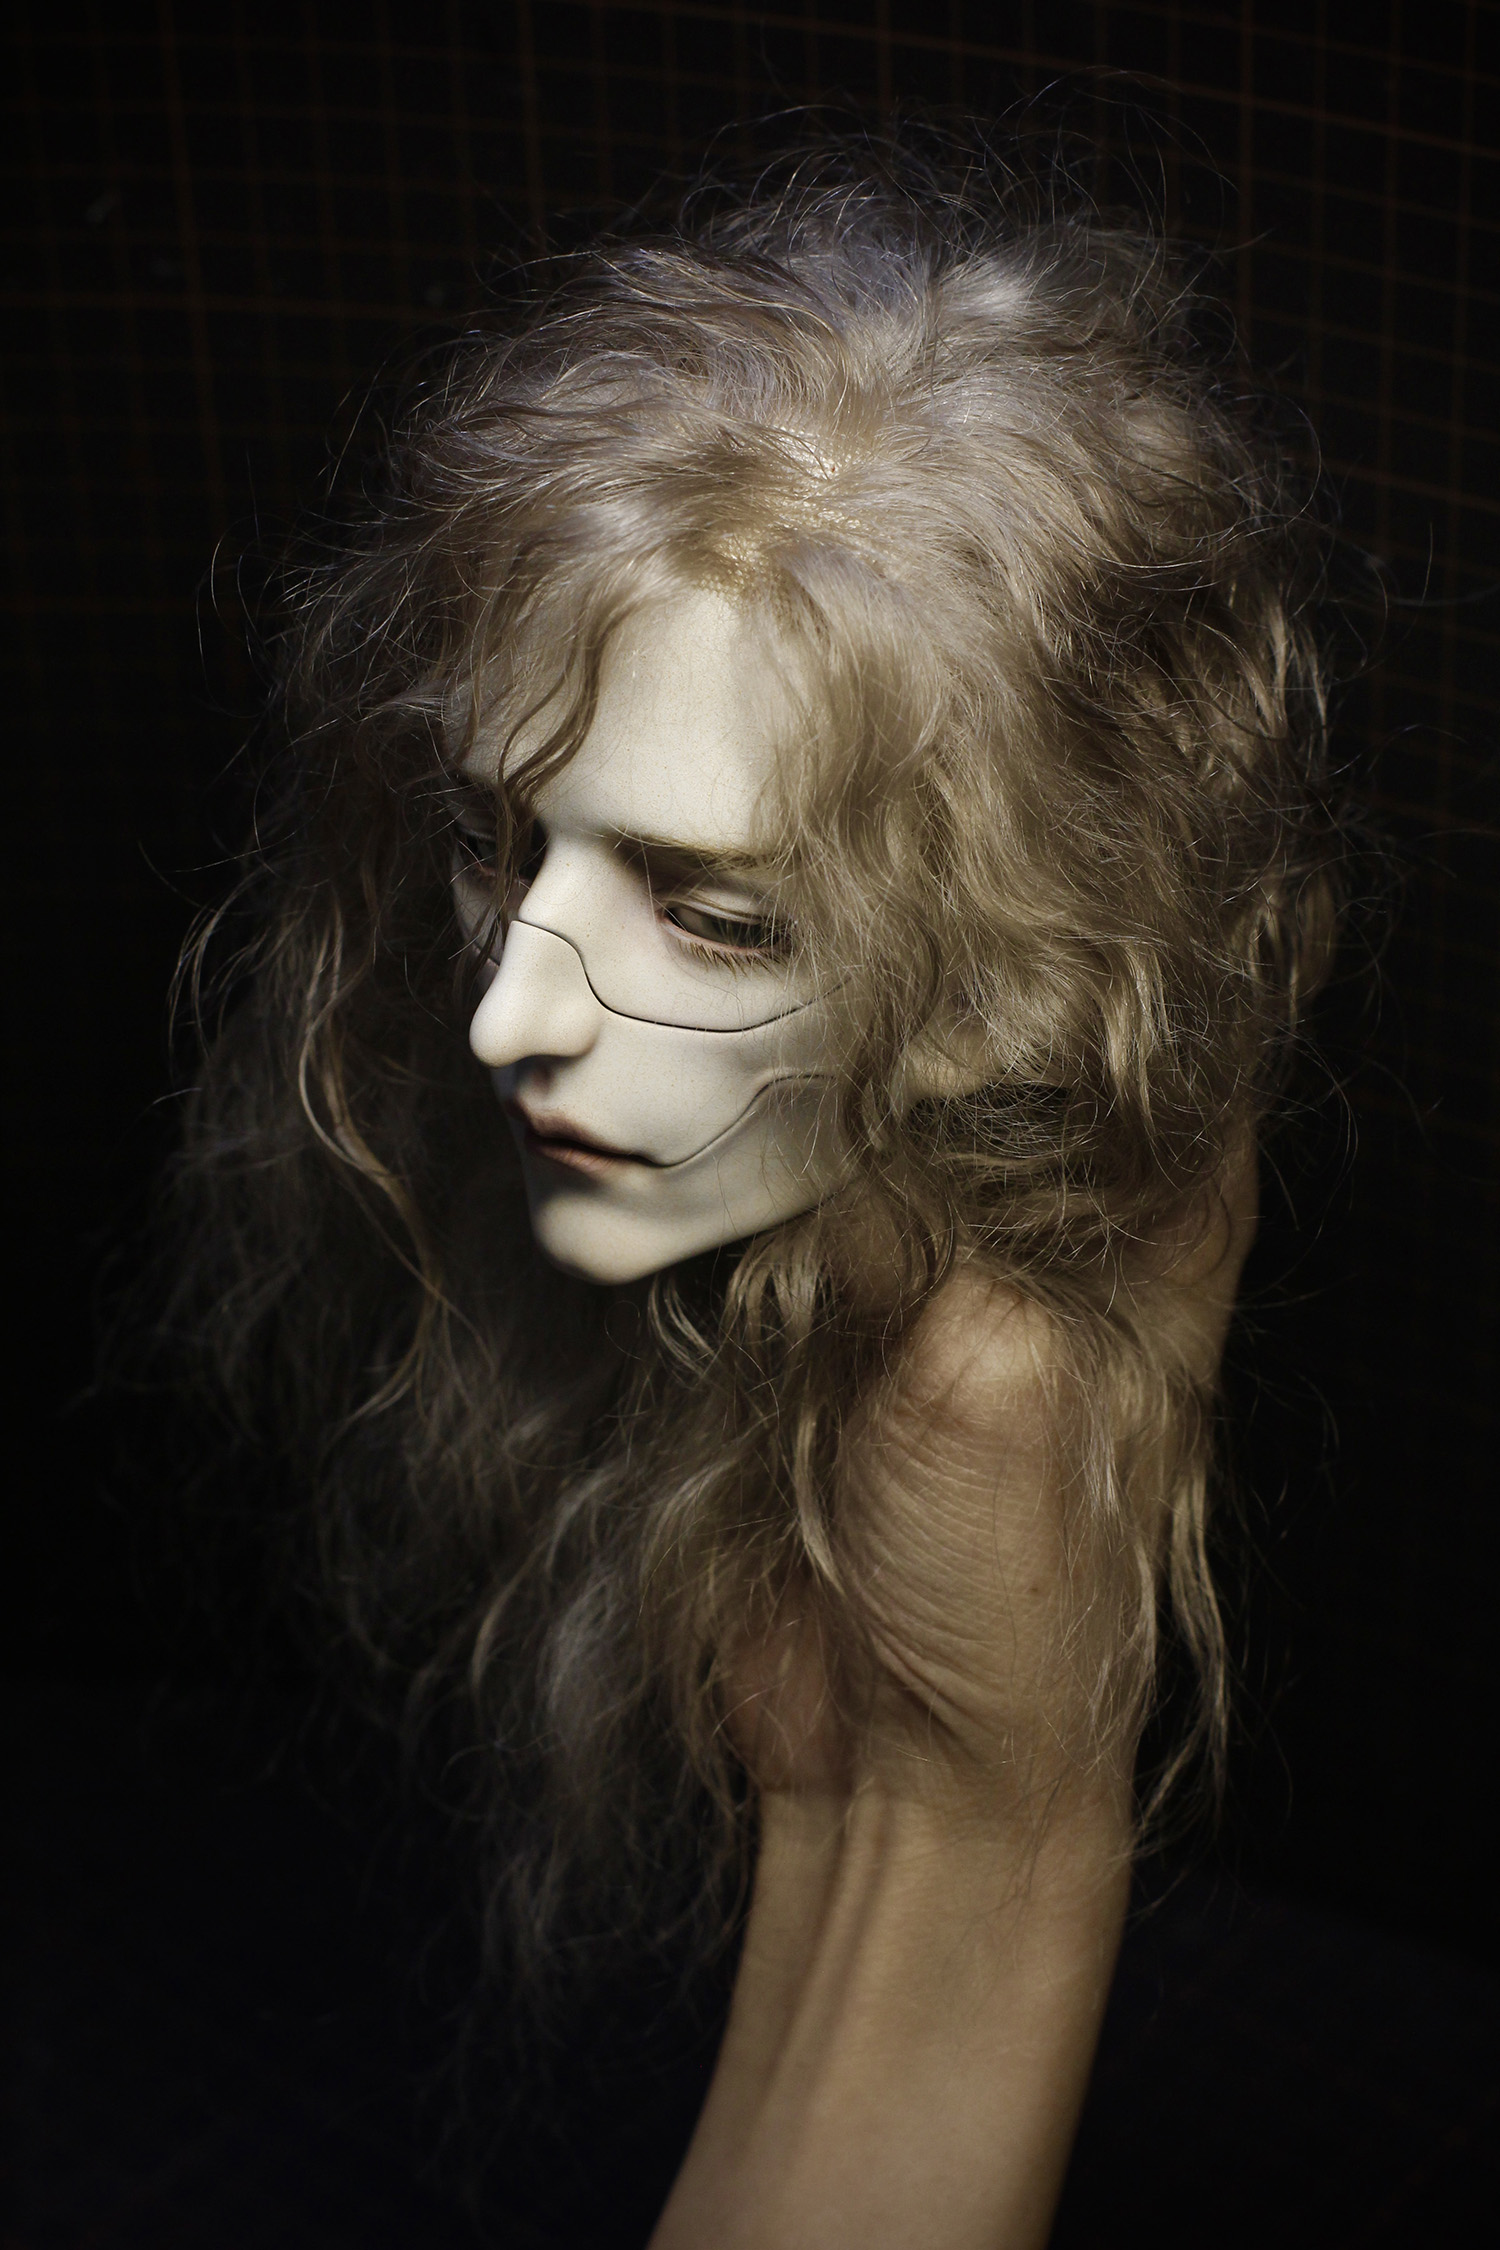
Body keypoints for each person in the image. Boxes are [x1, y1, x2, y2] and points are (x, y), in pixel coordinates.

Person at [171, 145, 1338, 2246]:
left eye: (709, 913)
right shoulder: (874, 1234)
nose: (507, 1010)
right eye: (504, 842)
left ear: (1021, 985)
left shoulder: (983, 1402)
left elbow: (945, 1968)